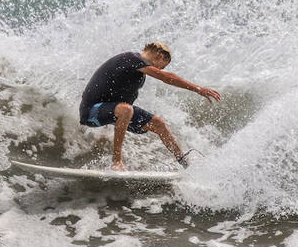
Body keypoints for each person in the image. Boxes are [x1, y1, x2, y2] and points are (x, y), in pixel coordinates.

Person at [79, 41, 221, 171]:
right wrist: (198, 89)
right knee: (126, 110)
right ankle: (117, 162)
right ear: (160, 56)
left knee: (158, 124)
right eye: (162, 66)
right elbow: (167, 78)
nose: (158, 69)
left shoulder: (136, 71)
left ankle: (184, 163)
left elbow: (113, 97)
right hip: (91, 111)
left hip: (110, 110)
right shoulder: (133, 59)